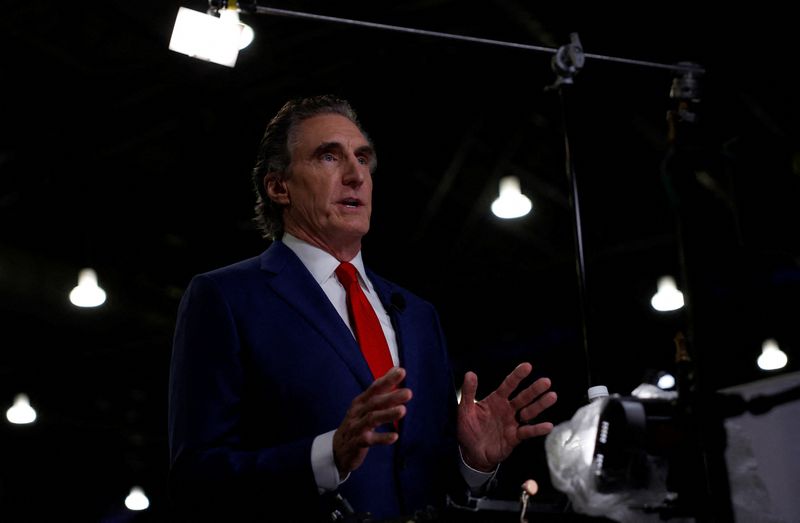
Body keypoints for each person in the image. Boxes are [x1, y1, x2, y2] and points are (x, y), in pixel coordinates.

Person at [167, 94, 558, 522]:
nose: (356, 175)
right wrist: (326, 455)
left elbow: (422, 477)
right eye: (329, 157)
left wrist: (473, 461)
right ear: (279, 186)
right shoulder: (225, 296)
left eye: (363, 159)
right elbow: (196, 475)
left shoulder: (418, 315)